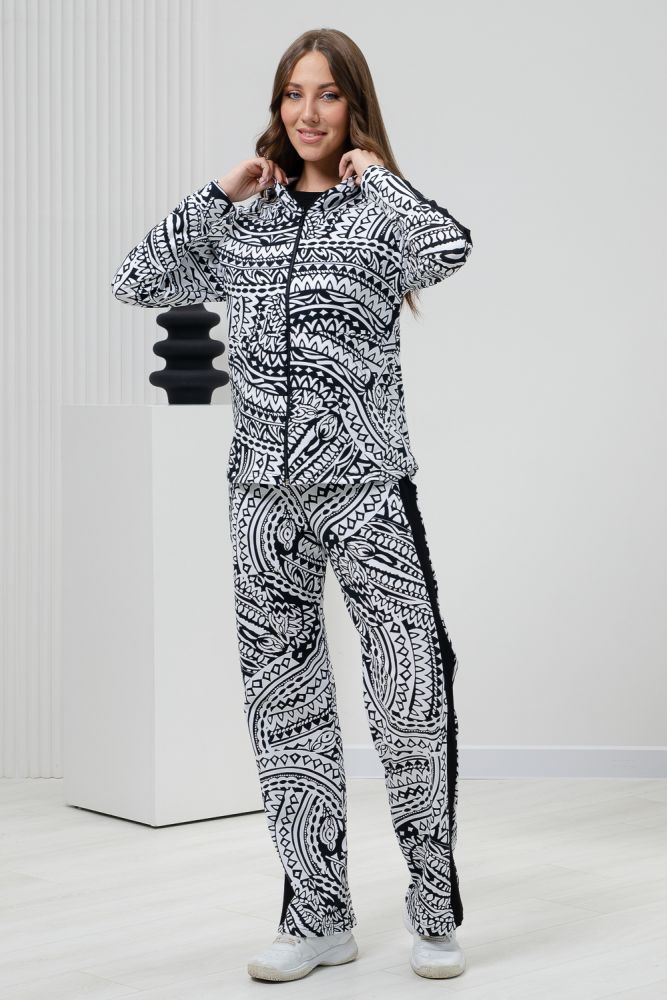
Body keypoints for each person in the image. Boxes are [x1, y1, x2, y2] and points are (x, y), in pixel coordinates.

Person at [111, 27, 473, 983]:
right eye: (292, 94)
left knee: (408, 700)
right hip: (260, 503)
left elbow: (447, 247)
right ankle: (316, 917)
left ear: (354, 105)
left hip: (365, 489)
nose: (307, 113)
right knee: (286, 712)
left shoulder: (379, 217)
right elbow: (134, 280)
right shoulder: (248, 220)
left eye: (327, 94)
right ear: (277, 105)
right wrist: (218, 194)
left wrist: (380, 179)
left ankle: (433, 913)